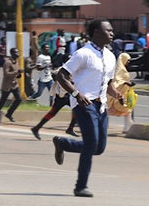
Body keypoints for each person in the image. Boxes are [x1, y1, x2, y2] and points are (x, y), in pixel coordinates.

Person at [51, 19, 123, 198]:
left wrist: (118, 94)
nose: (112, 33)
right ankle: (80, 186)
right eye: (109, 30)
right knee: (91, 144)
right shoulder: (83, 54)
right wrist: (76, 94)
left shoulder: (110, 56)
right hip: (84, 104)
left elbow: (108, 84)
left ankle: (63, 143)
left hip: (101, 106)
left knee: (99, 148)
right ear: (97, 32)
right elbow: (62, 75)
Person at [0, 47, 23, 124]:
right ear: (12, 54)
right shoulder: (7, 63)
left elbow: (15, 73)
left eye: (18, 52)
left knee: (19, 99)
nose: (18, 54)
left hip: (14, 84)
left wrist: (19, 74)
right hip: (7, 85)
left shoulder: (16, 62)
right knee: (2, 102)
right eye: (16, 52)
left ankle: (9, 114)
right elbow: (6, 74)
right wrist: (16, 72)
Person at [106, 53, 136, 132]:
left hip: (124, 92)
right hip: (118, 94)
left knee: (127, 111)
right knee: (110, 110)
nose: (128, 62)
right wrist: (126, 83)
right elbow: (117, 81)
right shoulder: (119, 70)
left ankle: (127, 127)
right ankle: (103, 126)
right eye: (128, 60)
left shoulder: (124, 69)